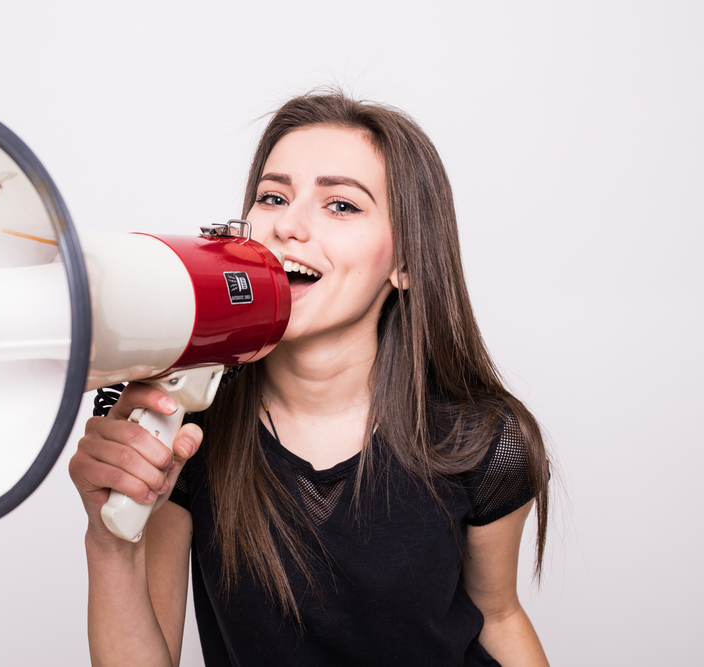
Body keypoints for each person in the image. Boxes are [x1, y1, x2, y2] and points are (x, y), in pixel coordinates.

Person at [69, 92, 551, 667]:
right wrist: (109, 543)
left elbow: (497, 614)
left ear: (407, 263)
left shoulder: (480, 439)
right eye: (273, 197)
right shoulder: (188, 429)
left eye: (341, 205)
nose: (289, 226)